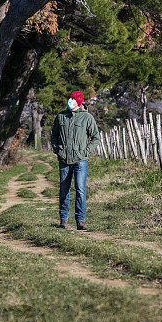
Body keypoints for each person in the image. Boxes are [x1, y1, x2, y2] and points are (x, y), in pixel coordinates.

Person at [50, 90, 100, 230]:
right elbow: (53, 135)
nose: (69, 101)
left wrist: (86, 151)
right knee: (64, 189)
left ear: (78, 102)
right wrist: (57, 149)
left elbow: (96, 138)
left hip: (81, 160)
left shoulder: (87, 118)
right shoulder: (61, 116)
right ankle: (63, 220)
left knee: (80, 189)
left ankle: (80, 221)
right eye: (69, 98)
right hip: (64, 159)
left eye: (72, 99)